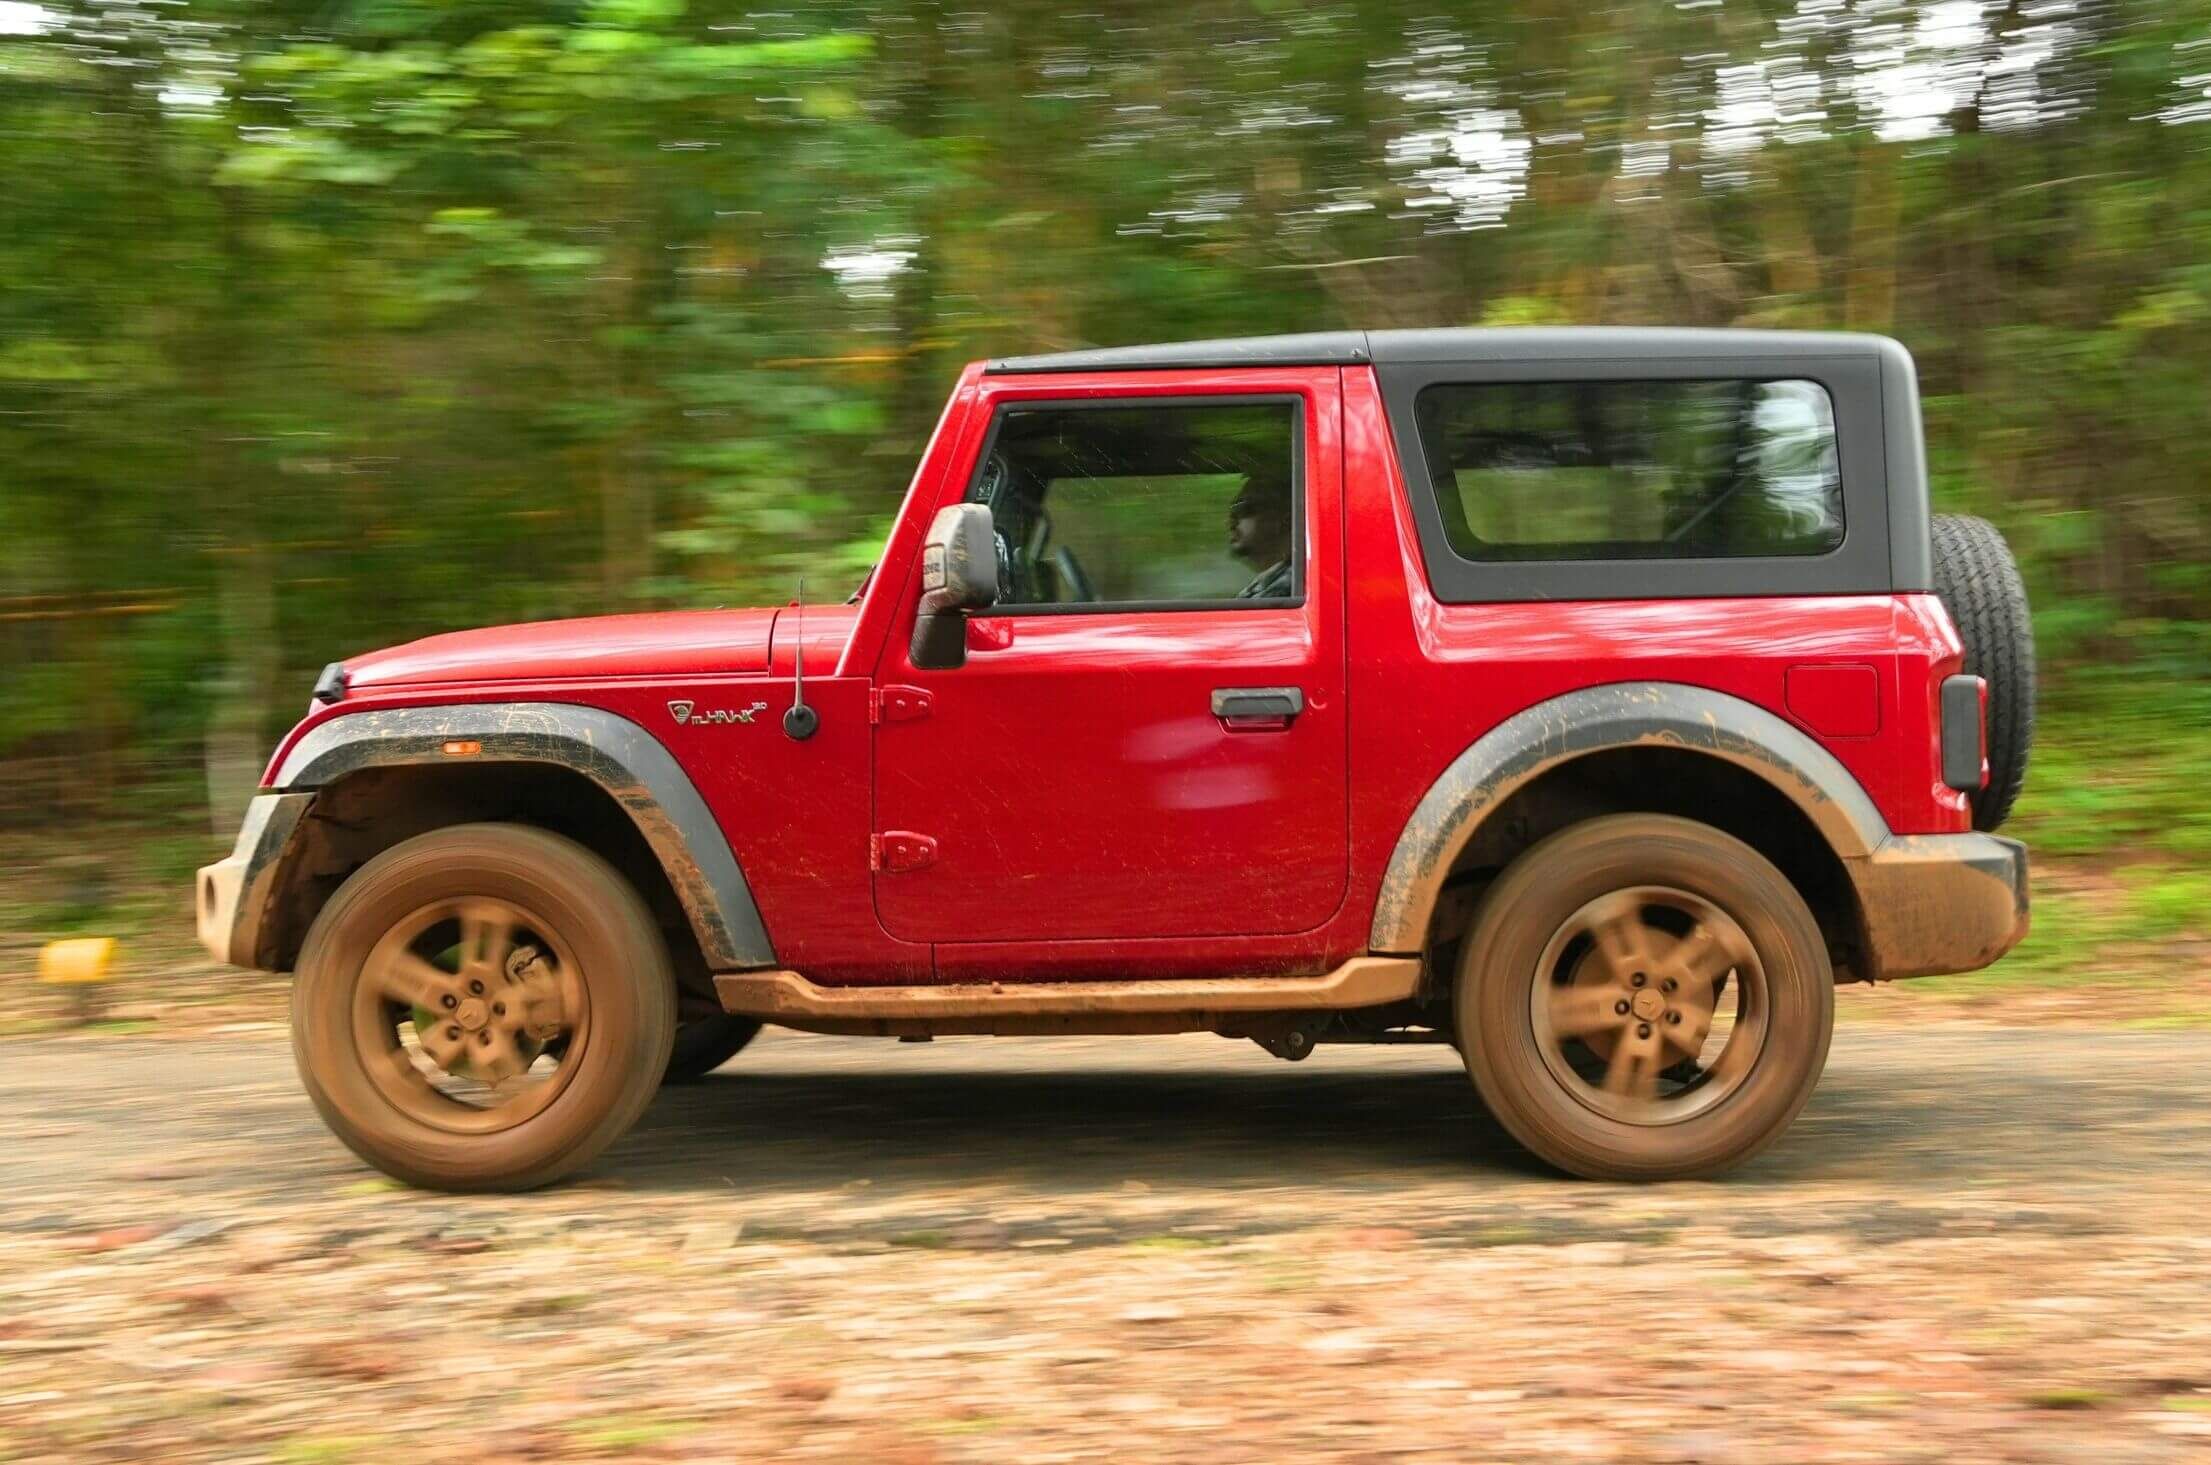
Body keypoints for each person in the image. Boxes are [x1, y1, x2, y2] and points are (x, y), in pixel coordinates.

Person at [1228, 472, 1294, 598]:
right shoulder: (1268, 583)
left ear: (1286, 521)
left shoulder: (1286, 589)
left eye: (1245, 508)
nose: (1232, 520)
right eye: (1233, 510)